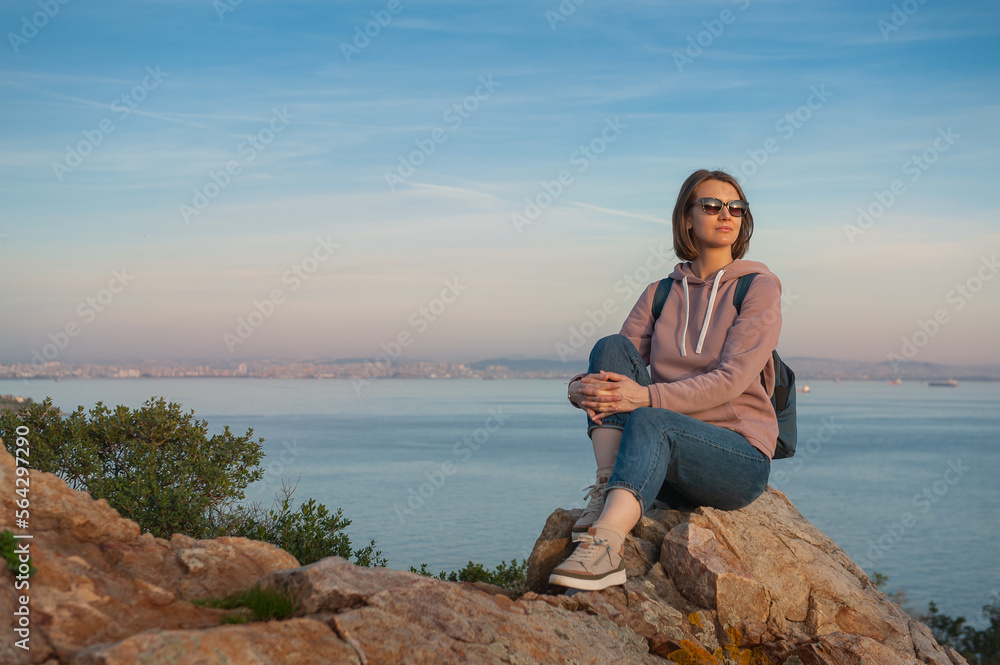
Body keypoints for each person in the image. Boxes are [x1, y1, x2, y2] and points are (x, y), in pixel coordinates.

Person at [550, 169, 783, 591]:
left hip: (735, 457)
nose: (725, 214)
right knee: (610, 347)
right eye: (711, 206)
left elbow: (731, 380)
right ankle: (609, 486)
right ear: (687, 218)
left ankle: (606, 544)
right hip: (665, 463)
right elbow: (616, 367)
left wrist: (647, 396)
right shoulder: (660, 292)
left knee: (651, 416)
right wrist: (576, 388)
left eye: (736, 207)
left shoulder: (758, 287)